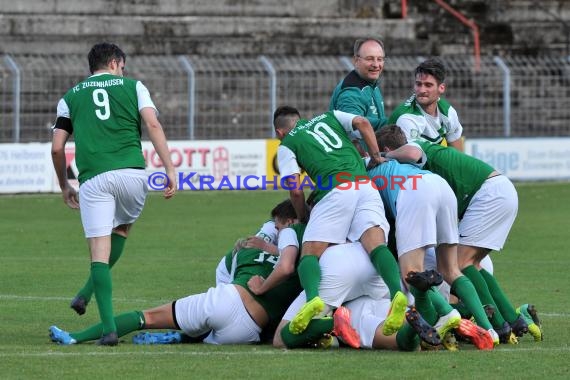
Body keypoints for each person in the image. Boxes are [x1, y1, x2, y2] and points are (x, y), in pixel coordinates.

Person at [50, 42, 177, 346]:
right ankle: (84, 294)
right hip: (133, 174)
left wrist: (64, 185)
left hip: (94, 179)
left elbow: (57, 148)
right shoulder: (134, 87)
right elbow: (152, 124)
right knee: (121, 230)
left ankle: (108, 330)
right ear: (117, 62)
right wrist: (170, 169)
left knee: (98, 252)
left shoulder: (69, 97)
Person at [49, 200, 302, 346]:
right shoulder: (302, 263)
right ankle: (181, 336)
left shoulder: (244, 250)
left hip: (226, 301)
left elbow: (223, 272)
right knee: (208, 330)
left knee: (144, 318)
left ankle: (75, 337)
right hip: (248, 332)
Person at [377, 125, 542, 343]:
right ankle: (508, 320)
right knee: (467, 265)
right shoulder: (423, 167)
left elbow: (413, 153)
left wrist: (383, 156)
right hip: (491, 190)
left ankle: (492, 324)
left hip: (487, 194)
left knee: (459, 264)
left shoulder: (413, 148)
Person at [273, 105, 406, 337]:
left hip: (334, 191)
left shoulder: (286, 145)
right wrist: (375, 157)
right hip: (364, 186)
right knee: (376, 244)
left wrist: (303, 214)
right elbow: (363, 123)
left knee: (310, 254)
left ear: (279, 132)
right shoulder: (328, 115)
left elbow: (295, 190)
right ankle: (397, 292)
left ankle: (313, 299)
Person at [366, 147, 495, 350]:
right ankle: (489, 330)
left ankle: (447, 312)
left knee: (411, 274)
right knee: (451, 270)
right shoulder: (401, 164)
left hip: (413, 192)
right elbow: (415, 153)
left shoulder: (364, 167)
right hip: (441, 187)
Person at [388, 58, 464, 151]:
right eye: (418, 84)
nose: (422, 90)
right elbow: (411, 159)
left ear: (441, 88)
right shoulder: (407, 117)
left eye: (428, 85)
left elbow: (458, 154)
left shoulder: (448, 112)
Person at [329, 38, 388, 153]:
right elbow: (354, 128)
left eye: (380, 59)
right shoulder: (351, 93)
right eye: (369, 59)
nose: (376, 64)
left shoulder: (370, 83)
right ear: (356, 61)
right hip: (357, 162)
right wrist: (390, 122)